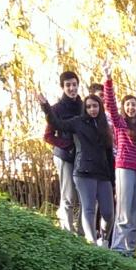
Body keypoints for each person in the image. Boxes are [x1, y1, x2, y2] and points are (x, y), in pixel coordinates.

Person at [38, 88, 114, 246]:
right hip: (84, 171)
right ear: (85, 108)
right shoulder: (78, 122)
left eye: (95, 106)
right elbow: (56, 123)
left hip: (103, 174)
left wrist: (112, 177)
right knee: (89, 209)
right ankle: (91, 242)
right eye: (89, 106)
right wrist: (46, 106)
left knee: (108, 212)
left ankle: (104, 240)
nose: (92, 109)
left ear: (100, 107)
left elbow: (108, 153)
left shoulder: (104, 126)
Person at [104, 76, 136, 256]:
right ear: (124, 108)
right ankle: (118, 248)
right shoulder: (120, 123)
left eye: (134, 104)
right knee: (123, 211)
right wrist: (108, 80)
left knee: (134, 213)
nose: (131, 108)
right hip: (124, 168)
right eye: (128, 104)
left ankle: (130, 250)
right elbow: (109, 104)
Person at [46, 70, 83, 236]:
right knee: (68, 195)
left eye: (74, 84)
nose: (72, 88)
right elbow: (48, 136)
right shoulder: (56, 109)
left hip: (83, 157)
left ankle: (83, 232)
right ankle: (67, 232)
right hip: (65, 156)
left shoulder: (84, 106)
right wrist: (67, 145)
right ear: (63, 87)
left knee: (85, 195)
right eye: (68, 85)